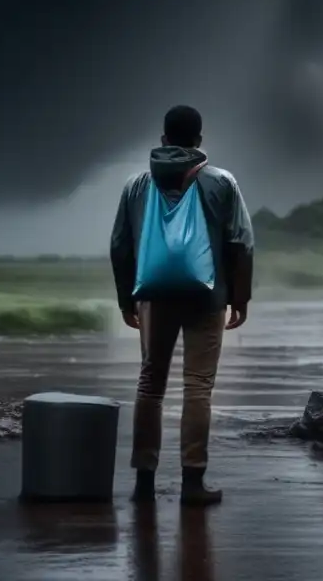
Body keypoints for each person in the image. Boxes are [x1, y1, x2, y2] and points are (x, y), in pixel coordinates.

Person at [110, 104, 254, 506]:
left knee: (150, 384)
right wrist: (239, 297)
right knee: (198, 387)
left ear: (163, 140)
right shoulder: (221, 182)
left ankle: (143, 483)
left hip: (154, 296)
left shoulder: (137, 186)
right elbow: (241, 241)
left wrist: (128, 298)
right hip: (208, 297)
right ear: (199, 141)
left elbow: (120, 245)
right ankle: (192, 482)